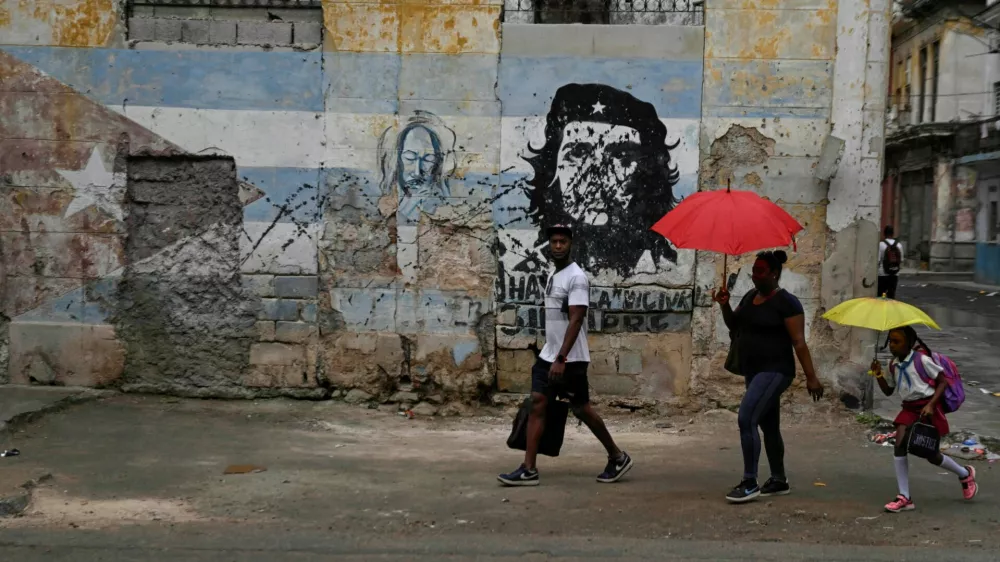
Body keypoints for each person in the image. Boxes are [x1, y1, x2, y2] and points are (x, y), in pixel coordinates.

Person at [498, 224, 634, 486]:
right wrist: (552, 354)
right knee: (538, 401)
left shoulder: (577, 277)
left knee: (581, 409)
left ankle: (617, 456)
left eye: (562, 241)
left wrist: (561, 358)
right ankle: (529, 469)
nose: (558, 246)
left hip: (570, 358)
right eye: (554, 242)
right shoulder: (554, 274)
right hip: (550, 354)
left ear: (571, 244)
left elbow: (577, 318)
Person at [712, 251, 824, 503]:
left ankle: (750, 481)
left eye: (760, 271)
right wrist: (724, 305)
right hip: (753, 370)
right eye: (754, 270)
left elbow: (799, 342)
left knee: (746, 418)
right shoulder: (751, 297)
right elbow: (734, 325)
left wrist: (811, 377)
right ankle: (779, 479)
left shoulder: (788, 303)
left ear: (774, 273)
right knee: (768, 425)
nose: (755, 275)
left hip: (776, 370)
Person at [870, 326, 978, 513]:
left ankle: (965, 474)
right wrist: (878, 373)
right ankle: (905, 497)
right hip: (909, 409)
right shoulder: (893, 364)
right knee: (899, 445)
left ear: (910, 344)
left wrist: (930, 405)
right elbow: (889, 390)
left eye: (897, 342)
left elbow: (943, 381)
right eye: (891, 342)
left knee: (930, 454)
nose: (892, 346)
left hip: (928, 408)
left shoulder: (922, 360)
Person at [877, 226, 903, 299]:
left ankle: (882, 308)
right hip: (894, 274)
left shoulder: (881, 244)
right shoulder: (899, 245)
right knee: (891, 295)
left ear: (884, 234)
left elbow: (878, 260)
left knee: (881, 294)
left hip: (882, 274)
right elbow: (901, 260)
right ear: (893, 234)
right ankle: (890, 308)